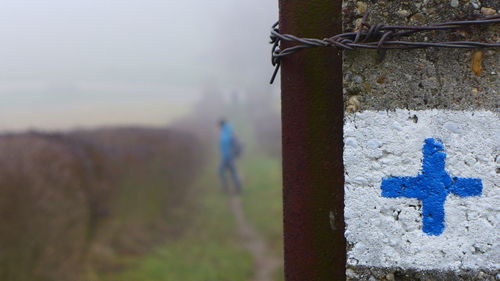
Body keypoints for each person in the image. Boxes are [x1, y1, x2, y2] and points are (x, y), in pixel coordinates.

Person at [218, 118, 242, 194]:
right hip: (229, 157)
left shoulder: (226, 133)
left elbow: (226, 146)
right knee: (232, 172)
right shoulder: (228, 131)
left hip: (228, 157)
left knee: (221, 171)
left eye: (218, 126)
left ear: (221, 125)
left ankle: (226, 187)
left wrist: (227, 157)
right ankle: (237, 187)